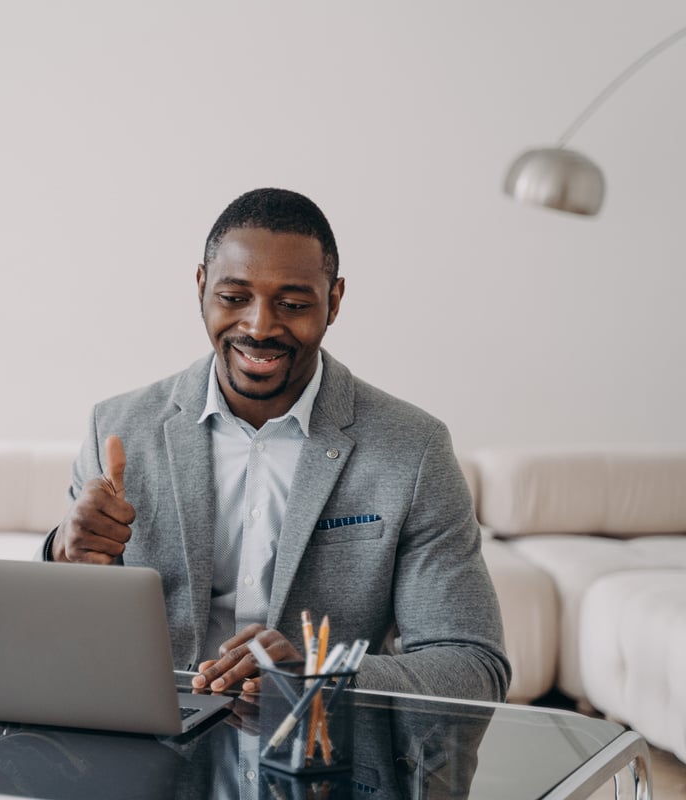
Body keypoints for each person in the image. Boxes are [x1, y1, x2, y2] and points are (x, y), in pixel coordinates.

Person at [44, 188, 510, 702]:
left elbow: (473, 665)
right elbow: (60, 641)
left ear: (333, 301)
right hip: (151, 751)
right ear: (201, 287)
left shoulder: (414, 450)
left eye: (292, 304)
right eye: (233, 297)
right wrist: (64, 555)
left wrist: (320, 674)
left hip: (320, 758)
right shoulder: (116, 427)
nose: (259, 326)